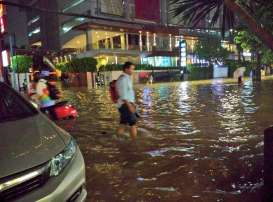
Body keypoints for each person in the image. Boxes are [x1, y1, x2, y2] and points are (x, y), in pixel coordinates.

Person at [116, 62, 138, 140]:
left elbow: (128, 93)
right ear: (126, 69)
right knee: (133, 124)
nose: (133, 71)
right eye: (132, 69)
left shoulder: (126, 78)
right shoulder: (123, 79)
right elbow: (123, 95)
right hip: (125, 105)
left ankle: (118, 139)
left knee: (123, 123)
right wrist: (130, 106)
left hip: (125, 104)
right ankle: (135, 142)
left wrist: (133, 104)